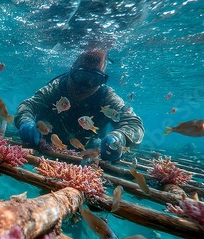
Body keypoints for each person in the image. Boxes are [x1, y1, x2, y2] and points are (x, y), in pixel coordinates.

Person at [15, 49, 144, 161]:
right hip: (47, 147)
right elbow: (28, 105)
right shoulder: (55, 88)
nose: (84, 86)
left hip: (86, 155)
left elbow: (134, 124)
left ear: (102, 80)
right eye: (80, 76)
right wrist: (25, 121)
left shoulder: (107, 97)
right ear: (71, 72)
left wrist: (120, 137)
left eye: (94, 79)